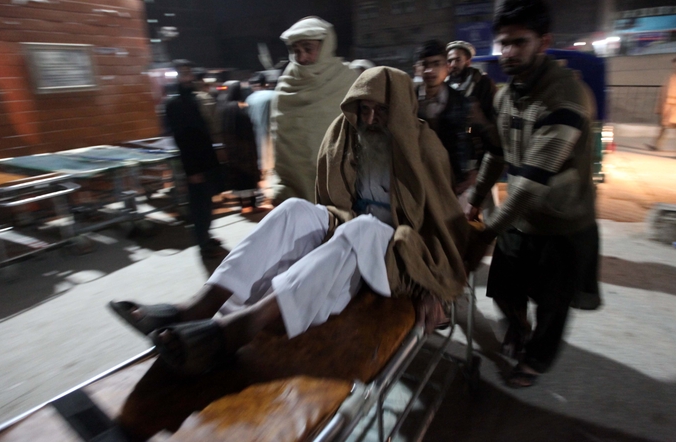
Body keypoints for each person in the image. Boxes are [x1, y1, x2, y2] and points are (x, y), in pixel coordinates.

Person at [110, 67, 481, 375]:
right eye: (363, 109)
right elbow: (333, 201)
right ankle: (200, 306)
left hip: (398, 253)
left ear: (399, 108)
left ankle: (238, 330)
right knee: (294, 210)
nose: (369, 120)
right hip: (350, 231)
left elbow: (442, 223)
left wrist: (434, 285)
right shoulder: (346, 134)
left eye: (380, 111)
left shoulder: (424, 146)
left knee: (362, 228)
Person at [466, 0, 600, 388]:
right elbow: (497, 153)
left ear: (544, 42)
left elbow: (526, 183)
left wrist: (484, 232)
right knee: (504, 292)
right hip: (521, 220)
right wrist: (475, 201)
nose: (507, 52)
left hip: (563, 224)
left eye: (518, 41)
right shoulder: (506, 95)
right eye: (502, 43)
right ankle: (518, 328)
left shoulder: (566, 98)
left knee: (552, 305)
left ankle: (536, 361)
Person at [271, 16, 358, 205]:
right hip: (298, 183)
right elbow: (281, 141)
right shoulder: (286, 86)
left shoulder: (348, 80)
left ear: (325, 45)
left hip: (342, 178)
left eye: (308, 49)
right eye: (296, 50)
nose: (302, 57)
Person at [165, 60, 227, 259]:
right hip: (194, 165)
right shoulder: (174, 104)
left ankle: (206, 235)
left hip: (206, 159)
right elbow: (182, 139)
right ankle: (203, 244)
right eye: (182, 73)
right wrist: (192, 171)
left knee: (207, 203)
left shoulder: (195, 99)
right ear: (175, 77)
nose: (186, 77)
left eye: (188, 73)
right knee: (199, 206)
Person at [414, 40, 480, 206]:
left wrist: (474, 172)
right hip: (419, 184)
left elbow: (477, 137)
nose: (430, 70)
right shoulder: (408, 101)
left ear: (447, 67)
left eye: (436, 64)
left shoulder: (463, 103)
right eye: (425, 64)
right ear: (418, 68)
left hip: (455, 184)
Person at [446, 40, 501, 219]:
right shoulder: (446, 87)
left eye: (457, 60)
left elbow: (493, 128)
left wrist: (479, 120)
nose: (453, 65)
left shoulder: (483, 85)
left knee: (488, 210)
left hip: (481, 159)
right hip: (458, 161)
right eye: (450, 61)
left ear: (468, 61)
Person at [218, 81, 261, 212]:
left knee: (237, 175)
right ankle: (252, 204)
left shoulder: (224, 108)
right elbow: (248, 128)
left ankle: (242, 203)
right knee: (249, 175)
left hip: (232, 149)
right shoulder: (241, 106)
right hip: (245, 148)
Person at [245, 73, 276, 177]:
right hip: (274, 130)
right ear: (265, 84)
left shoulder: (249, 98)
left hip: (255, 131)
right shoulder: (274, 95)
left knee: (260, 152)